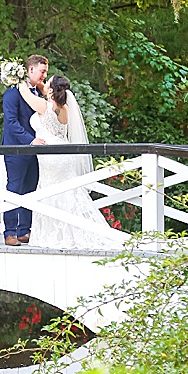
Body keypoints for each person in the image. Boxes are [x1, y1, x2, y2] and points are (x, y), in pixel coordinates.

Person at [17, 74, 120, 249]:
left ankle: (55, 235)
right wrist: (44, 86)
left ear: (51, 90)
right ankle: (70, 232)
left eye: (47, 82)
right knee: (67, 194)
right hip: (63, 154)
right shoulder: (63, 108)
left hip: (52, 157)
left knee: (52, 193)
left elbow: (25, 94)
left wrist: (18, 76)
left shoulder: (45, 106)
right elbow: (44, 90)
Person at [1, 54, 48, 246]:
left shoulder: (39, 93)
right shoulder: (12, 93)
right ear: (30, 70)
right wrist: (30, 141)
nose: (45, 75)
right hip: (17, 148)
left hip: (35, 149)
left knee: (31, 189)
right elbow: (11, 123)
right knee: (14, 189)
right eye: (42, 71)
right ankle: (9, 232)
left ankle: (24, 231)